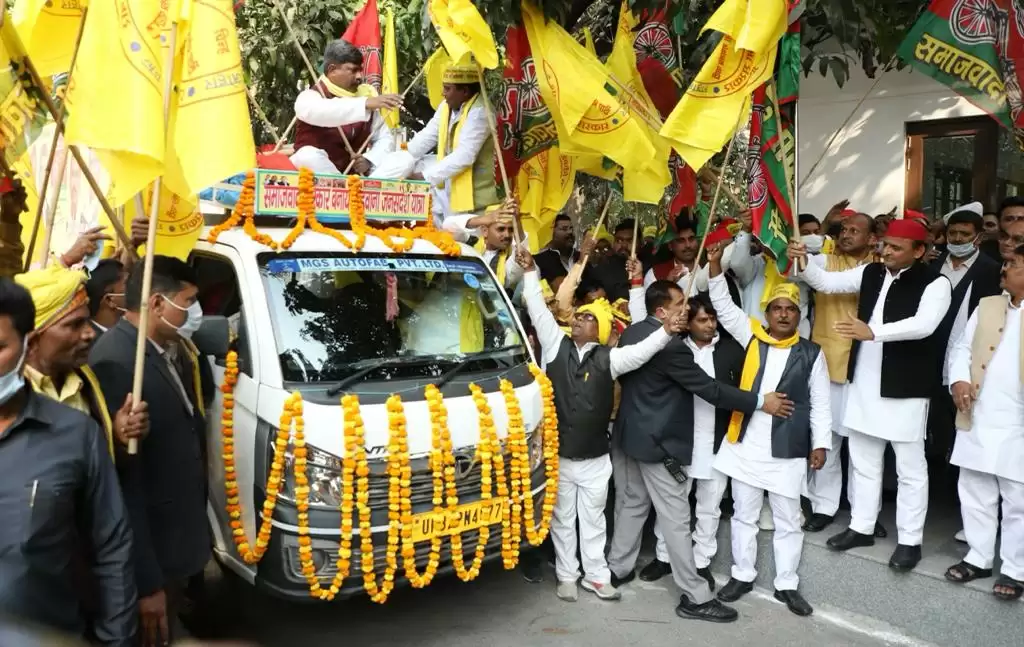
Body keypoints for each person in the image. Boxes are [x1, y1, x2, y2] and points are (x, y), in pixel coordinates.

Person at [606, 279, 794, 623]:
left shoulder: (633, 332)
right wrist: (758, 402)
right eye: (680, 302)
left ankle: (617, 569)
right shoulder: (672, 347)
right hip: (659, 444)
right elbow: (709, 389)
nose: (687, 307)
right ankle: (695, 595)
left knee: (632, 504)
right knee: (677, 520)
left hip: (630, 437)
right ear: (662, 311)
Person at [518, 248, 684, 602]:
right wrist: (531, 272)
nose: (578, 320)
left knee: (593, 520)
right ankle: (566, 575)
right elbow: (536, 308)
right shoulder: (554, 347)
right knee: (563, 520)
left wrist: (665, 332)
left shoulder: (611, 358)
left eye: (587, 318)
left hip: (595, 460)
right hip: (560, 458)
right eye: (577, 316)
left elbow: (640, 353)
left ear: (601, 329)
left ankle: (595, 576)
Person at [793, 218, 952, 571]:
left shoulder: (936, 283)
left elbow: (924, 325)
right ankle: (861, 526)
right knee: (864, 461)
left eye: (896, 248)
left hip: (906, 386)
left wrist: (872, 332)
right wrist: (803, 261)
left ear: (919, 251)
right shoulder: (872, 271)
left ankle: (910, 540)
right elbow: (825, 282)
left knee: (911, 469)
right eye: (886, 246)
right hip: (863, 381)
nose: (887, 252)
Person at [0, 278, 136, 646]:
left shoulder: (78, 431)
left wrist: (116, 638)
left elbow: (111, 547)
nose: (88, 335)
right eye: (73, 324)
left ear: (26, 343)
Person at [89, 257, 210, 646]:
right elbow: (123, 483)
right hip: (154, 555)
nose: (193, 313)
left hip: (176, 544)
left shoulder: (167, 348)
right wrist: (147, 582)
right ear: (157, 303)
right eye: (188, 302)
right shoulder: (116, 360)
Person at [705, 246, 830, 616]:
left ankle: (786, 584)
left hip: (788, 448)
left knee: (788, 518)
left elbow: (821, 403)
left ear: (799, 314)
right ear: (767, 313)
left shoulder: (811, 353)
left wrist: (820, 444)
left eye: (790, 309)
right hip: (745, 442)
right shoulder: (753, 336)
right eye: (777, 308)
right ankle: (742, 575)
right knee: (743, 513)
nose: (783, 314)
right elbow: (725, 308)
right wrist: (714, 266)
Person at [628, 292, 742, 587]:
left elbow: (732, 392)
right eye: (702, 320)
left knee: (709, 504)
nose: (709, 325)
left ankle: (701, 560)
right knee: (673, 506)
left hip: (717, 441)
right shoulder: (673, 348)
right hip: (679, 441)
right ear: (688, 323)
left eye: (712, 319)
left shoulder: (732, 351)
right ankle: (664, 557)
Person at [788, 211, 879, 534]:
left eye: (855, 231)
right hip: (827, 359)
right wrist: (800, 259)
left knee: (862, 446)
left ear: (871, 238)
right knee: (828, 438)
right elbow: (803, 276)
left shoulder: (881, 268)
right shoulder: (827, 261)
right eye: (843, 230)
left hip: (866, 364)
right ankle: (824, 506)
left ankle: (863, 513)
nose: (846, 235)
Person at [944, 244, 1024, 601]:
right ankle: (978, 556)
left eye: (1012, 264)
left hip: (1018, 422)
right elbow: (961, 347)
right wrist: (958, 379)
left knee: (1018, 497)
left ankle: (1015, 567)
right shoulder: (988, 305)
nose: (1003, 269)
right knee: (974, 487)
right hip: (979, 411)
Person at [927, 208, 1001, 480]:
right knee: (933, 420)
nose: (957, 239)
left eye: (965, 234)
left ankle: (959, 484)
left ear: (978, 237)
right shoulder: (932, 265)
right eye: (953, 233)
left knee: (964, 421)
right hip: (929, 357)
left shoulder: (991, 271)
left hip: (967, 361)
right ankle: (937, 473)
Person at [405, 57, 498, 226]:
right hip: (449, 186)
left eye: (448, 89)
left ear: (464, 92)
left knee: (470, 241)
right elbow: (428, 136)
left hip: (476, 198)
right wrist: (400, 161)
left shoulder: (480, 112)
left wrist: (424, 177)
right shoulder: (447, 106)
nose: (443, 93)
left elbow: (465, 156)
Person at [290, 39, 402, 175]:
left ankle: (362, 191)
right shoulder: (309, 97)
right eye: (353, 71)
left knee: (403, 159)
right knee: (307, 155)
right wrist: (364, 103)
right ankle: (342, 190)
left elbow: (385, 138)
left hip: (354, 178)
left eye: (360, 70)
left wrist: (368, 160)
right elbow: (324, 112)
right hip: (317, 175)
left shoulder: (365, 96)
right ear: (332, 70)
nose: (360, 76)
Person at [534, 214, 581, 284]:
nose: (570, 232)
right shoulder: (538, 261)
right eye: (564, 229)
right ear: (552, 232)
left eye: (571, 228)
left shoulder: (582, 257)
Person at [85, 260, 128, 336]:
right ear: (109, 300)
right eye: (127, 283)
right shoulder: (91, 344)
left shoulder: (126, 330)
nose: (135, 287)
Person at [980, 196, 1024, 261]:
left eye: (1021, 219)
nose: (1015, 223)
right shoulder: (983, 253)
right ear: (999, 222)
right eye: (1009, 219)